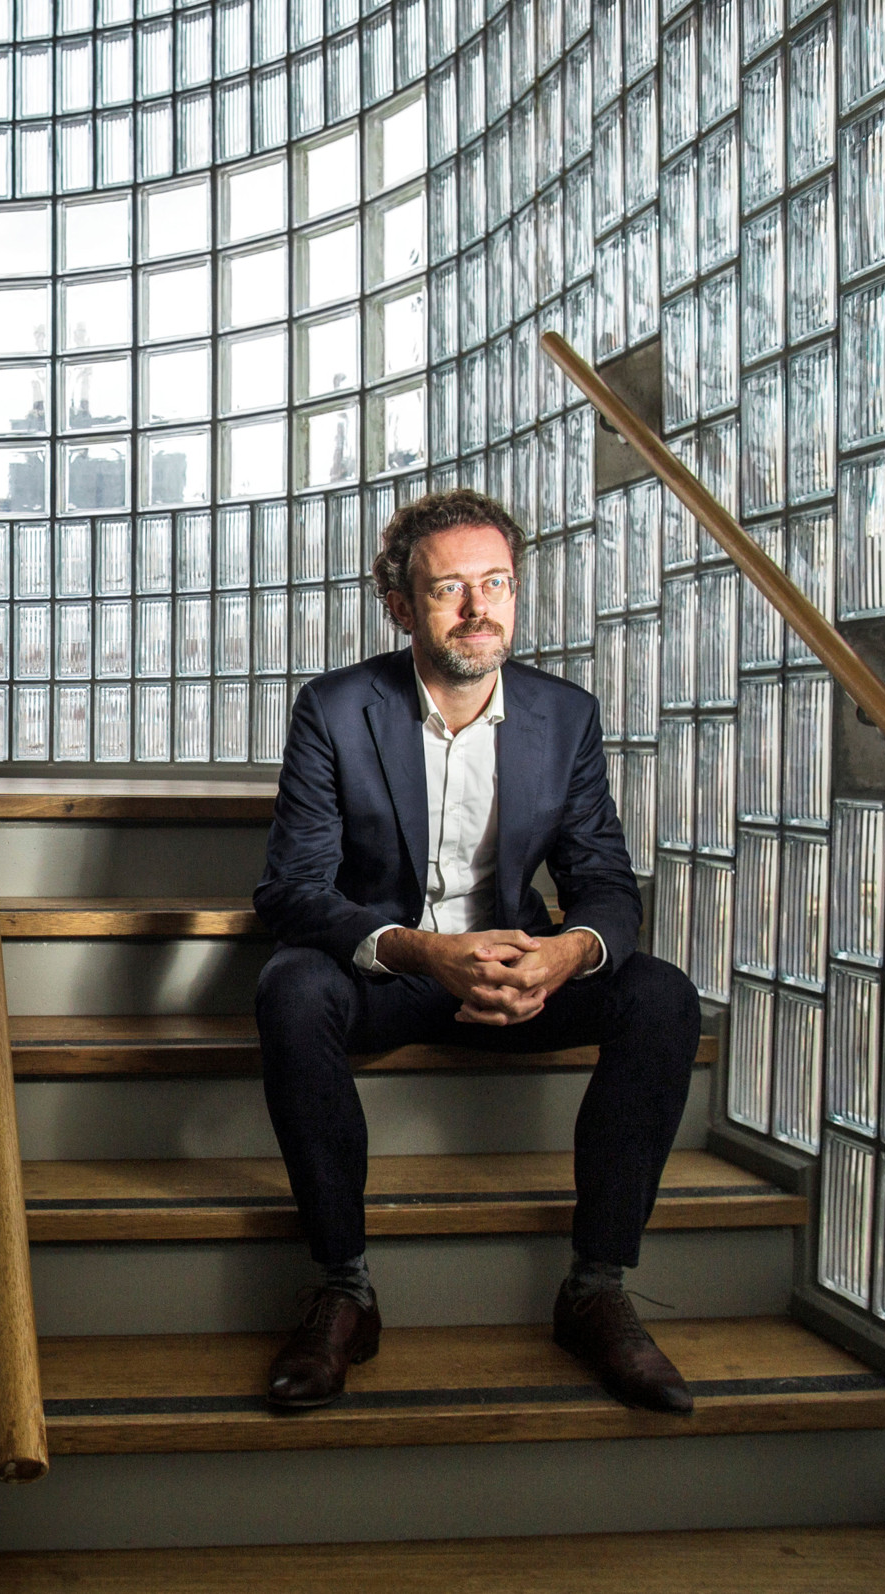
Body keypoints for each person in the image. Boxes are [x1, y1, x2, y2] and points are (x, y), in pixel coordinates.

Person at [252, 488, 703, 1415]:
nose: (478, 608)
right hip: (395, 973)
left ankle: (596, 1288)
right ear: (400, 604)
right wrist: (421, 952)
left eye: (495, 582)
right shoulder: (336, 711)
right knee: (290, 989)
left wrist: (567, 955)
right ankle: (344, 1288)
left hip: (516, 973)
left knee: (659, 993)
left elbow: (606, 886)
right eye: (450, 588)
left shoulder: (563, 716)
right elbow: (291, 890)